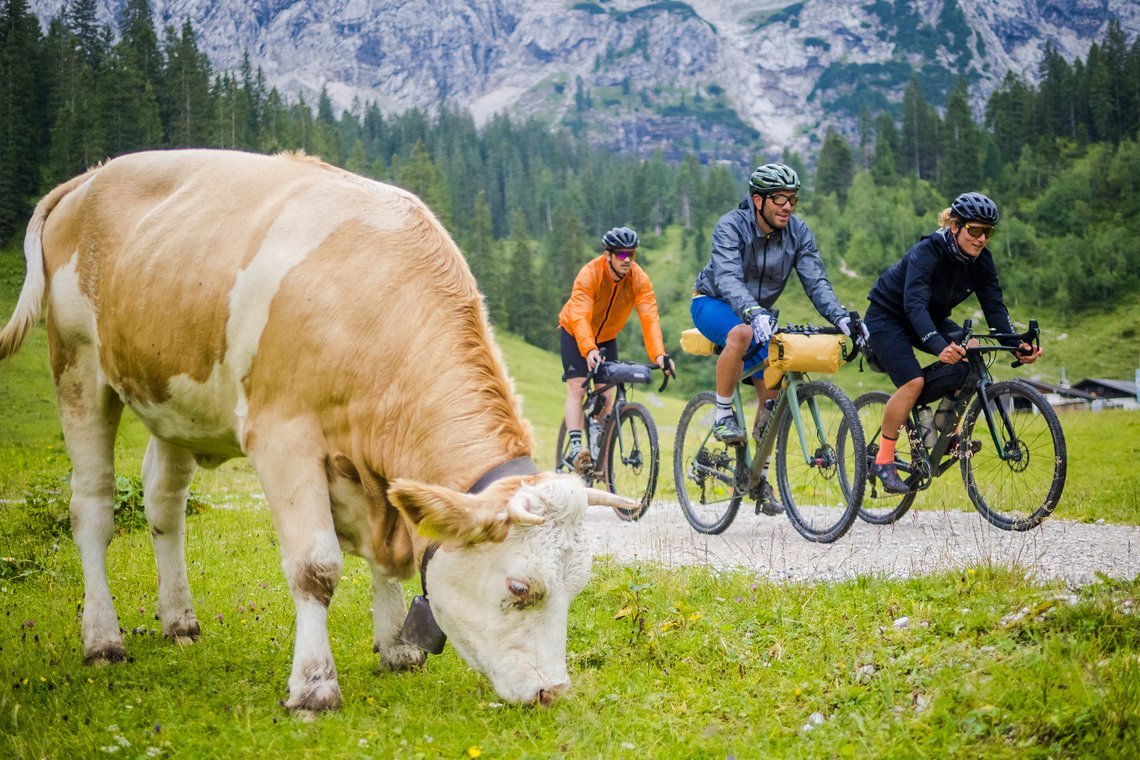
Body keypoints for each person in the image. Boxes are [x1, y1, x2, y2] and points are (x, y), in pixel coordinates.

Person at [690, 163, 865, 516]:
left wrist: (842, 317)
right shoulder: (731, 226)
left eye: (793, 199)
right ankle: (723, 413)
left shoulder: (798, 233)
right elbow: (726, 277)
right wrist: (752, 312)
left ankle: (759, 477)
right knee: (739, 333)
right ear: (758, 200)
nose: (788, 206)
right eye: (780, 199)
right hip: (714, 302)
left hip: (759, 314)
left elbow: (816, 282)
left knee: (771, 400)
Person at [864, 191, 1042, 493]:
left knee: (971, 355)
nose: (982, 238)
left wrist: (1017, 344)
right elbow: (914, 305)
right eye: (975, 230)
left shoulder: (982, 262)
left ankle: (943, 433)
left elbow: (995, 309)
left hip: (929, 317)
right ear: (955, 226)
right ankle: (883, 459)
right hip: (888, 317)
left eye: (988, 232)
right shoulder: (928, 251)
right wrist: (937, 346)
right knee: (912, 382)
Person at [558, 226, 675, 473]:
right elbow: (579, 316)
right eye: (621, 255)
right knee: (578, 388)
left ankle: (598, 442)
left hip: (607, 338)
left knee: (606, 394)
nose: (627, 260)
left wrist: (659, 355)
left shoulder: (639, 279)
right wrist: (588, 349)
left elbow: (649, 317)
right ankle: (577, 448)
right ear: (608, 255)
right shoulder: (589, 274)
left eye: (631, 254)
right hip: (574, 332)